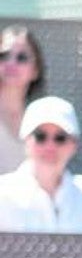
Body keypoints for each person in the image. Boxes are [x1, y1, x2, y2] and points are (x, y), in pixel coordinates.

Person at [0, 96, 82, 234]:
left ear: (74, 145)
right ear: (26, 141)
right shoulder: (3, 193)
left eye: (60, 138)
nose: (50, 146)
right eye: (40, 136)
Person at [0, 25, 47, 173]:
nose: (11, 63)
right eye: (4, 55)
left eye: (22, 57)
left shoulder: (43, 121)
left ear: (35, 71)